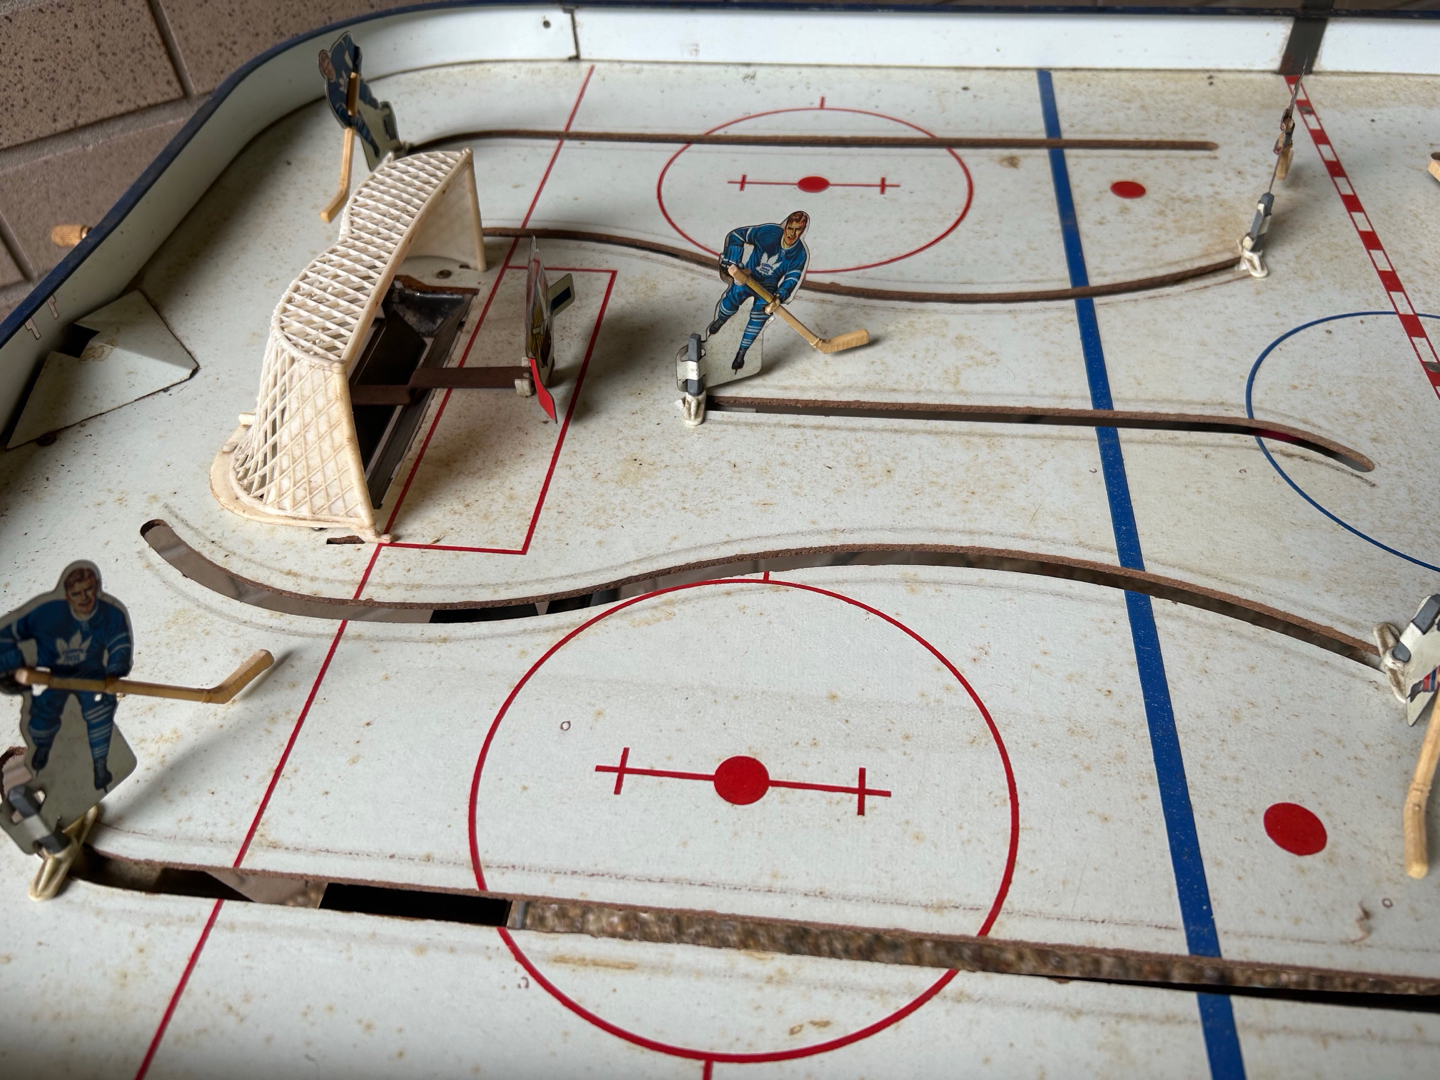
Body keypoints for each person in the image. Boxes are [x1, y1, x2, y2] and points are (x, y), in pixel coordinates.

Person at [0, 563, 132, 791]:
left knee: (99, 711)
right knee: (42, 711)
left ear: (97, 587)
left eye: (89, 590)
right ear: (67, 594)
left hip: (92, 675)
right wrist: (8, 663)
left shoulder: (111, 614)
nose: (84, 597)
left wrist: (115, 670)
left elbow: (120, 643)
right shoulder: (46, 613)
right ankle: (42, 749)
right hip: (53, 674)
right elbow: (7, 634)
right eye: (77, 593)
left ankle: (100, 765)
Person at [707, 211, 810, 371]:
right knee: (733, 296)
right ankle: (721, 318)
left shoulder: (800, 254)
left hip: (768, 287)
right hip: (749, 275)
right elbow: (737, 235)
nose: (792, 234)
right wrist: (733, 261)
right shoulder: (768, 232)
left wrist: (779, 297)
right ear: (785, 226)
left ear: (803, 231)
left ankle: (742, 352)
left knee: (760, 314)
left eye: (798, 230)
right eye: (790, 228)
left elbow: (792, 278)